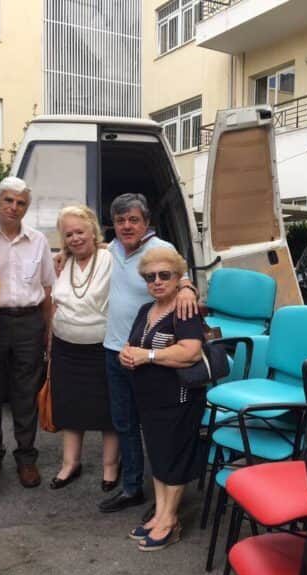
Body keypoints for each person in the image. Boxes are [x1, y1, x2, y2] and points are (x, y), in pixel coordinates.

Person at [98, 193, 199, 514]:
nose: (126, 226)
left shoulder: (161, 249)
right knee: (125, 423)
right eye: (120, 220)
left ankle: (166, 501)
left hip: (152, 356)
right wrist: (64, 257)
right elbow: (85, 249)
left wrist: (187, 288)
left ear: (146, 222)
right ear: (113, 225)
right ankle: (132, 488)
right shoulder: (110, 250)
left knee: (158, 428)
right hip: (116, 351)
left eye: (133, 220)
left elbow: (182, 277)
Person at [0, 176, 56, 489]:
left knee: (25, 392)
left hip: (29, 322)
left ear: (26, 208)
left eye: (21, 203)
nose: (14, 207)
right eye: (8, 200)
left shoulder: (38, 240)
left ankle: (26, 458)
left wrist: (48, 330)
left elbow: (47, 289)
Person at [120, 247, 206, 550]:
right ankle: (159, 513)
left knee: (174, 459)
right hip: (149, 398)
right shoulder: (146, 310)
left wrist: (149, 356)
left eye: (164, 275)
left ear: (178, 277)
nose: (156, 281)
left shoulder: (184, 309)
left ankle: (170, 520)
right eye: (150, 277)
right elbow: (133, 344)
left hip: (179, 399)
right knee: (157, 456)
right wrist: (127, 354)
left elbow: (190, 352)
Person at [48, 205, 119, 491]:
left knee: (107, 411)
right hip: (65, 349)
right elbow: (54, 304)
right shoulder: (62, 262)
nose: (75, 238)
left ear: (93, 231)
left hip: (102, 349)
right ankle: (70, 464)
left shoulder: (111, 257)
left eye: (80, 231)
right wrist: (49, 343)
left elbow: (140, 253)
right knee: (70, 407)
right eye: (68, 234)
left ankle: (110, 467)